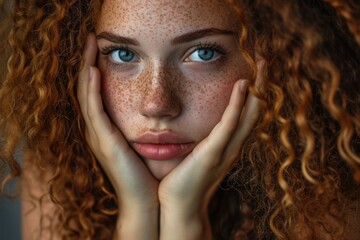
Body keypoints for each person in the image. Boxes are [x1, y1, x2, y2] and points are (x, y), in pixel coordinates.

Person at [0, 0, 359, 239]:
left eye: (203, 53)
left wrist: (184, 220)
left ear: (271, 58)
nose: (156, 103)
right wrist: (138, 213)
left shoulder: (333, 189)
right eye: (123, 54)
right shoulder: (58, 169)